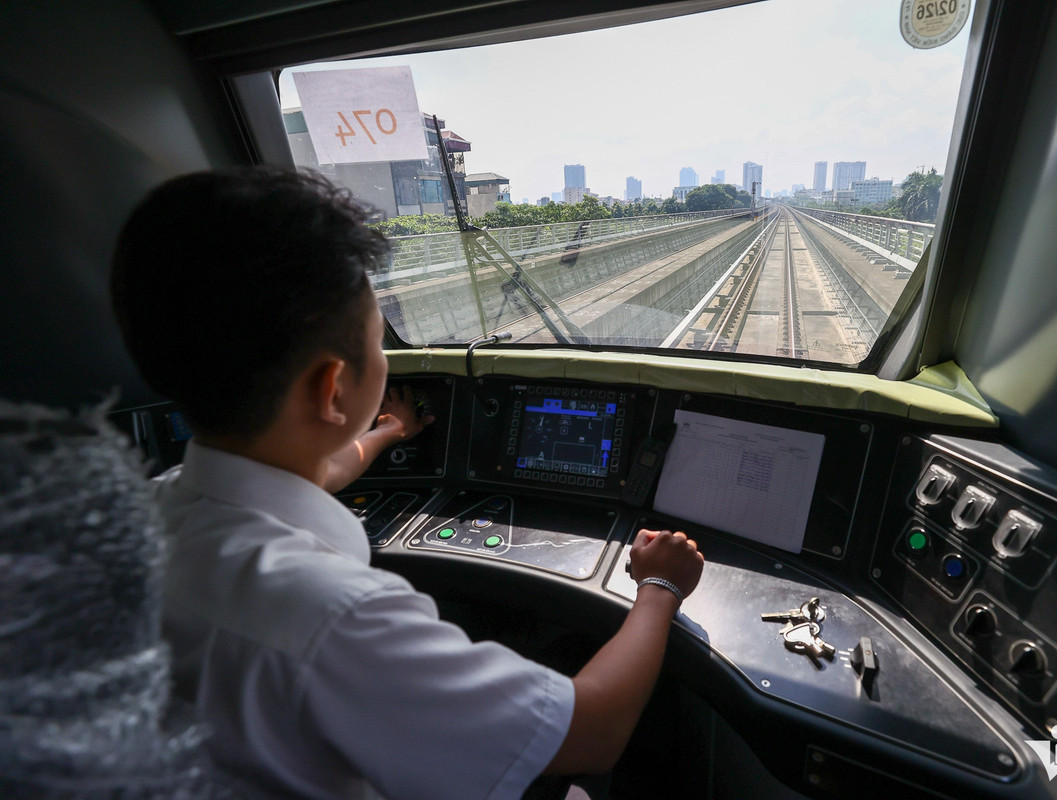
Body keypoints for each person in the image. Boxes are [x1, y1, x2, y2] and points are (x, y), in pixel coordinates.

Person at [109, 166, 704, 800]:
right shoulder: (334, 617)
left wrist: (386, 432)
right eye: (378, 339)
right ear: (333, 387)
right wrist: (660, 586)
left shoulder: (145, 512)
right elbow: (592, 730)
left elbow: (311, 471)